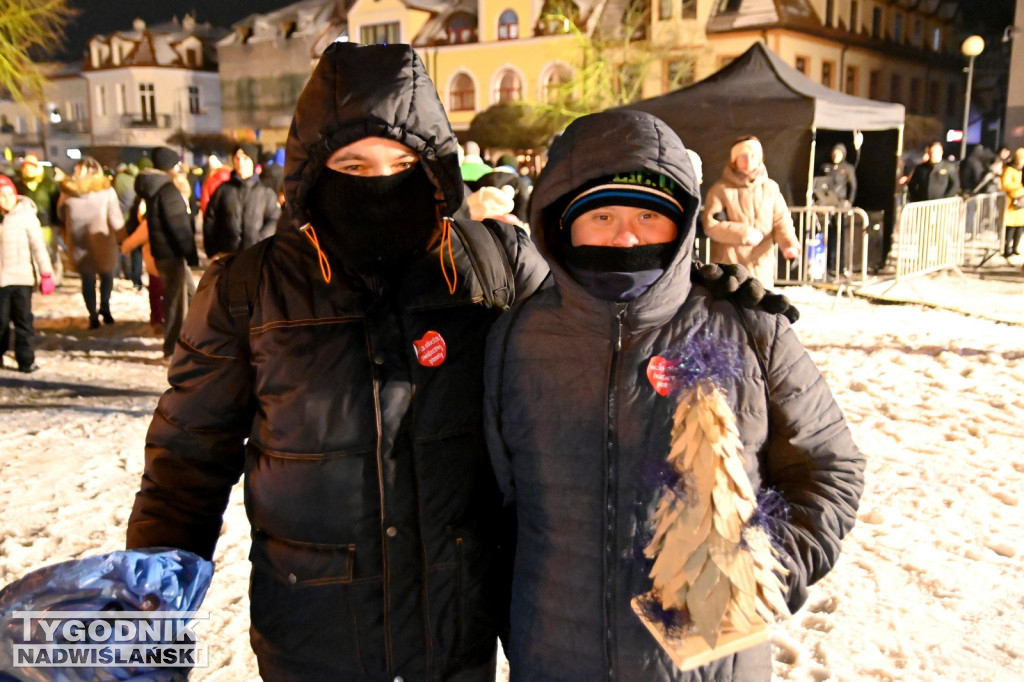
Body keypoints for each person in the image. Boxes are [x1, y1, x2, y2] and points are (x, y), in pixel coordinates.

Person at [483, 109, 865, 681]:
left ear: (681, 220)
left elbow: (829, 469)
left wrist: (755, 579)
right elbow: (496, 504)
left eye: (648, 215)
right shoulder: (517, 340)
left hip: (709, 664)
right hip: (555, 656)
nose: (626, 236)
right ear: (562, 223)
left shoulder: (750, 329)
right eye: (602, 215)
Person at [704, 135, 800, 287]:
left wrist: (789, 244)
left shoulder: (770, 188)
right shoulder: (720, 190)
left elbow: (781, 220)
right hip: (730, 270)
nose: (749, 161)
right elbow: (711, 225)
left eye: (754, 155)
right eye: (743, 156)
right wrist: (743, 233)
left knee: (760, 307)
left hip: (761, 268)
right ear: (734, 160)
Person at [132, 146, 198, 358]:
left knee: (189, 293)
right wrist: (190, 253)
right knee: (176, 303)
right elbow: (178, 227)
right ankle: (173, 347)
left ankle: (196, 336)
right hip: (172, 254)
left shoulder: (154, 188)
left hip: (163, 253)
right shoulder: (168, 190)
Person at [57, 157, 125, 329]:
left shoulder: (68, 192)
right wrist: (123, 238)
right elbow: (115, 217)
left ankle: (93, 315)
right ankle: (105, 307)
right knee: (106, 274)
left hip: (79, 241)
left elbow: (60, 214)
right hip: (102, 239)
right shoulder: (105, 191)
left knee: (87, 279)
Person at [0, 175, 55, 373]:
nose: (5, 199)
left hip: (21, 278)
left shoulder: (26, 216)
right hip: (1, 281)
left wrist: (46, 273)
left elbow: (39, 247)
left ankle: (25, 359)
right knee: (1, 322)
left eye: (8, 194)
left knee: (23, 321)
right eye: (0, 195)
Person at [202, 143, 281, 259]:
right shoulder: (223, 190)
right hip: (227, 254)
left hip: (255, 255)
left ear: (253, 162)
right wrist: (212, 249)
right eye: (237, 159)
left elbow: (274, 219)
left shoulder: (265, 193)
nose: (241, 163)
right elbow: (211, 220)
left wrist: (261, 240)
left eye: (245, 159)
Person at [476, 154, 532, 223]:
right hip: (508, 227)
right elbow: (522, 207)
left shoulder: (483, 179)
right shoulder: (520, 183)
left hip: (480, 224)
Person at [113, 162, 143, 290]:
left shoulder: (119, 179)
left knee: (119, 246)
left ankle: (116, 274)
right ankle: (135, 277)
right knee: (136, 249)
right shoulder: (139, 179)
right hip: (135, 218)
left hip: (121, 218)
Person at [999, 147, 1024, 258]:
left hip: (1021, 203)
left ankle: (1015, 247)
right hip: (1012, 202)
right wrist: (1019, 188)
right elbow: (1005, 184)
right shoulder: (1009, 169)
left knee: (1020, 227)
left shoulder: (1022, 171)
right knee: (1011, 227)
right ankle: (1006, 248)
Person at [819, 143, 857, 207]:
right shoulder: (826, 167)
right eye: (834, 154)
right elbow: (819, 182)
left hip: (840, 200)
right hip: (826, 199)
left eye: (838, 154)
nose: (835, 156)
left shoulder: (848, 168)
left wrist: (850, 201)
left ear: (843, 155)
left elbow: (853, 186)